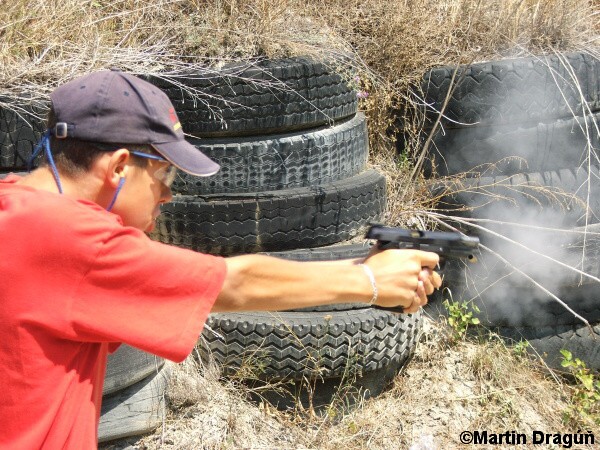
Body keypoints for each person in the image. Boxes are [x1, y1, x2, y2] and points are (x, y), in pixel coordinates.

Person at [0, 69, 442, 449]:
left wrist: (359, 268)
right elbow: (233, 284)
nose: (169, 194)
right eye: (163, 173)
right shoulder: (72, 239)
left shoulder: (19, 213)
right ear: (118, 167)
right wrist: (370, 282)